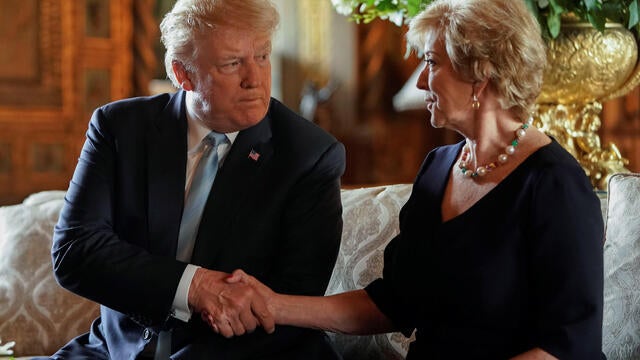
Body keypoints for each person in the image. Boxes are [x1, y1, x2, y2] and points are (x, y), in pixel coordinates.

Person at [224, 0, 607, 358]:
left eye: (432, 63)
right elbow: (391, 304)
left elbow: (569, 345)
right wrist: (272, 304)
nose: (421, 81)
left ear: (480, 74)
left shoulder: (555, 184)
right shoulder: (438, 167)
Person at [47, 0, 345, 359]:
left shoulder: (309, 155)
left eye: (262, 57)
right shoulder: (119, 128)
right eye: (232, 63)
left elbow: (291, 306)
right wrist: (193, 286)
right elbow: (75, 251)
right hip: (116, 348)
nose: (255, 79)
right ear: (182, 73)